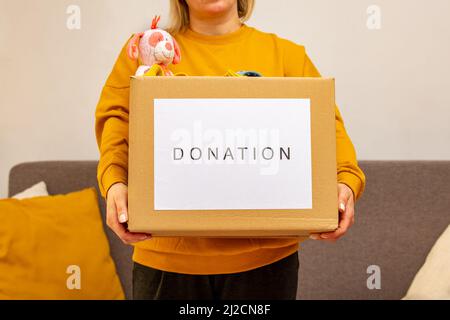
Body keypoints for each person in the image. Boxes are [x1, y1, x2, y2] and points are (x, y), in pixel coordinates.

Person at [95, 0, 366, 300]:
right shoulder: (146, 50)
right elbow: (117, 122)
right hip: (165, 260)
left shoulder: (287, 56)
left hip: (267, 263)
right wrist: (115, 183)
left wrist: (345, 183)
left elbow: (328, 129)